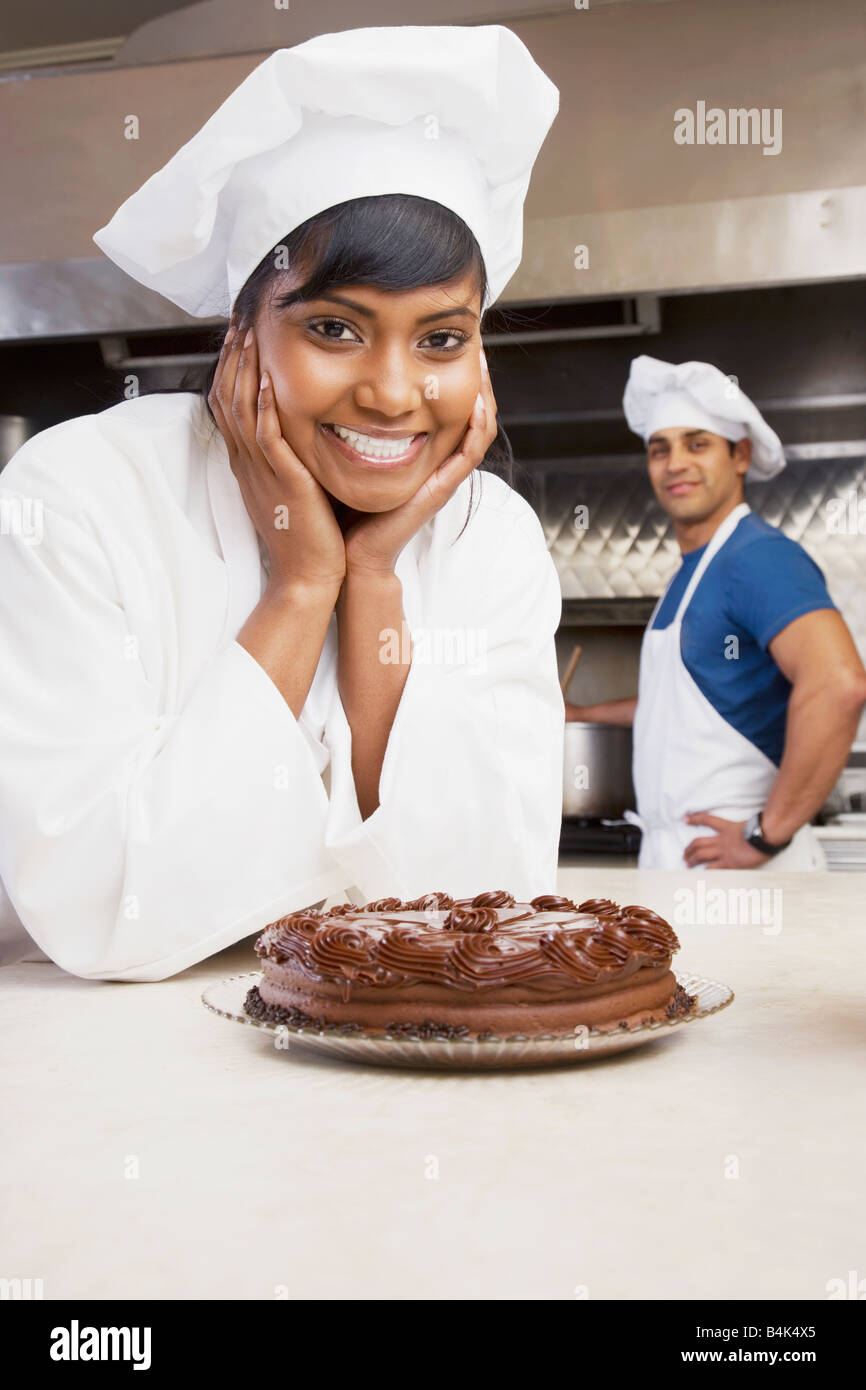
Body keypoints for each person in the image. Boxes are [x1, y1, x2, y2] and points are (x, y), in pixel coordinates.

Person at [0, 25, 564, 979]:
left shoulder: (492, 539)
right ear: (242, 336)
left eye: (441, 340)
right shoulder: (82, 494)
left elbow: (484, 915)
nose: (392, 392)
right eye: (335, 328)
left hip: (402, 1074)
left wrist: (372, 578)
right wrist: (305, 585)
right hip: (114, 1082)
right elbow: (110, 911)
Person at [565, 355, 866, 870]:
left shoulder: (756, 557)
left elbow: (839, 685)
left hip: (740, 869)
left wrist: (764, 834)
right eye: (660, 450)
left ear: (741, 455)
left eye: (697, 444)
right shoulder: (693, 571)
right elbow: (682, 704)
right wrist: (586, 716)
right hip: (687, 862)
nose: (675, 462)